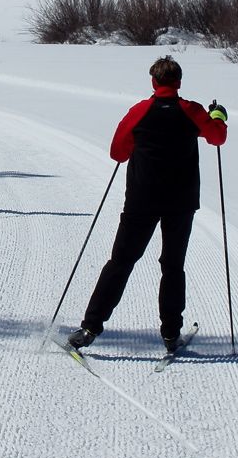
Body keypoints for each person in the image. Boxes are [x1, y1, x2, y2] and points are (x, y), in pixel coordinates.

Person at [68, 55, 228, 352]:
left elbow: (118, 153)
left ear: (154, 82)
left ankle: (89, 328)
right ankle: (170, 335)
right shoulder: (191, 110)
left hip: (142, 200)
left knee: (121, 262)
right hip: (181, 202)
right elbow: (217, 137)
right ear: (178, 82)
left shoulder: (139, 111)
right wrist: (217, 115)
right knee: (172, 265)